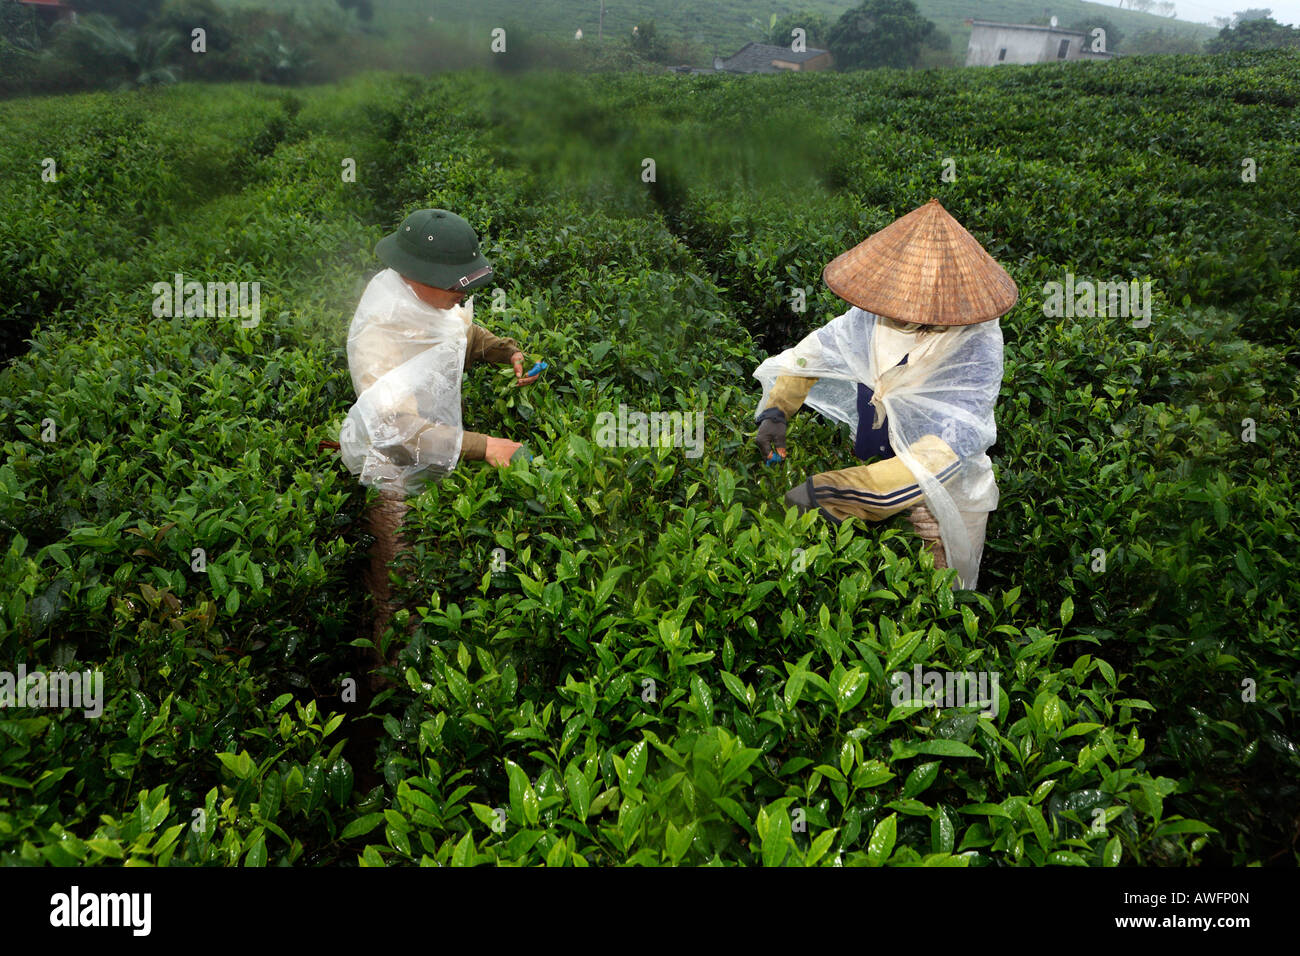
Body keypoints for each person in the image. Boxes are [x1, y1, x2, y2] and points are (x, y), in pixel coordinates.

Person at [752, 198, 1017, 591]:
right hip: (875, 466)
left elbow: (946, 447)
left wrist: (833, 491)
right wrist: (776, 410)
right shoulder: (875, 313)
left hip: (938, 500)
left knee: (936, 597)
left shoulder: (974, 344)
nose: (904, 314)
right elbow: (817, 352)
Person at [338, 208, 540, 665]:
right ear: (415, 275)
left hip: (440, 453)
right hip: (392, 470)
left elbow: (458, 333)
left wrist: (505, 352)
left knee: (437, 573)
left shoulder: (439, 298)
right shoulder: (381, 330)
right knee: (397, 587)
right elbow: (396, 432)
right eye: (454, 287)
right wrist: (484, 446)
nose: (460, 296)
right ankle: (391, 687)